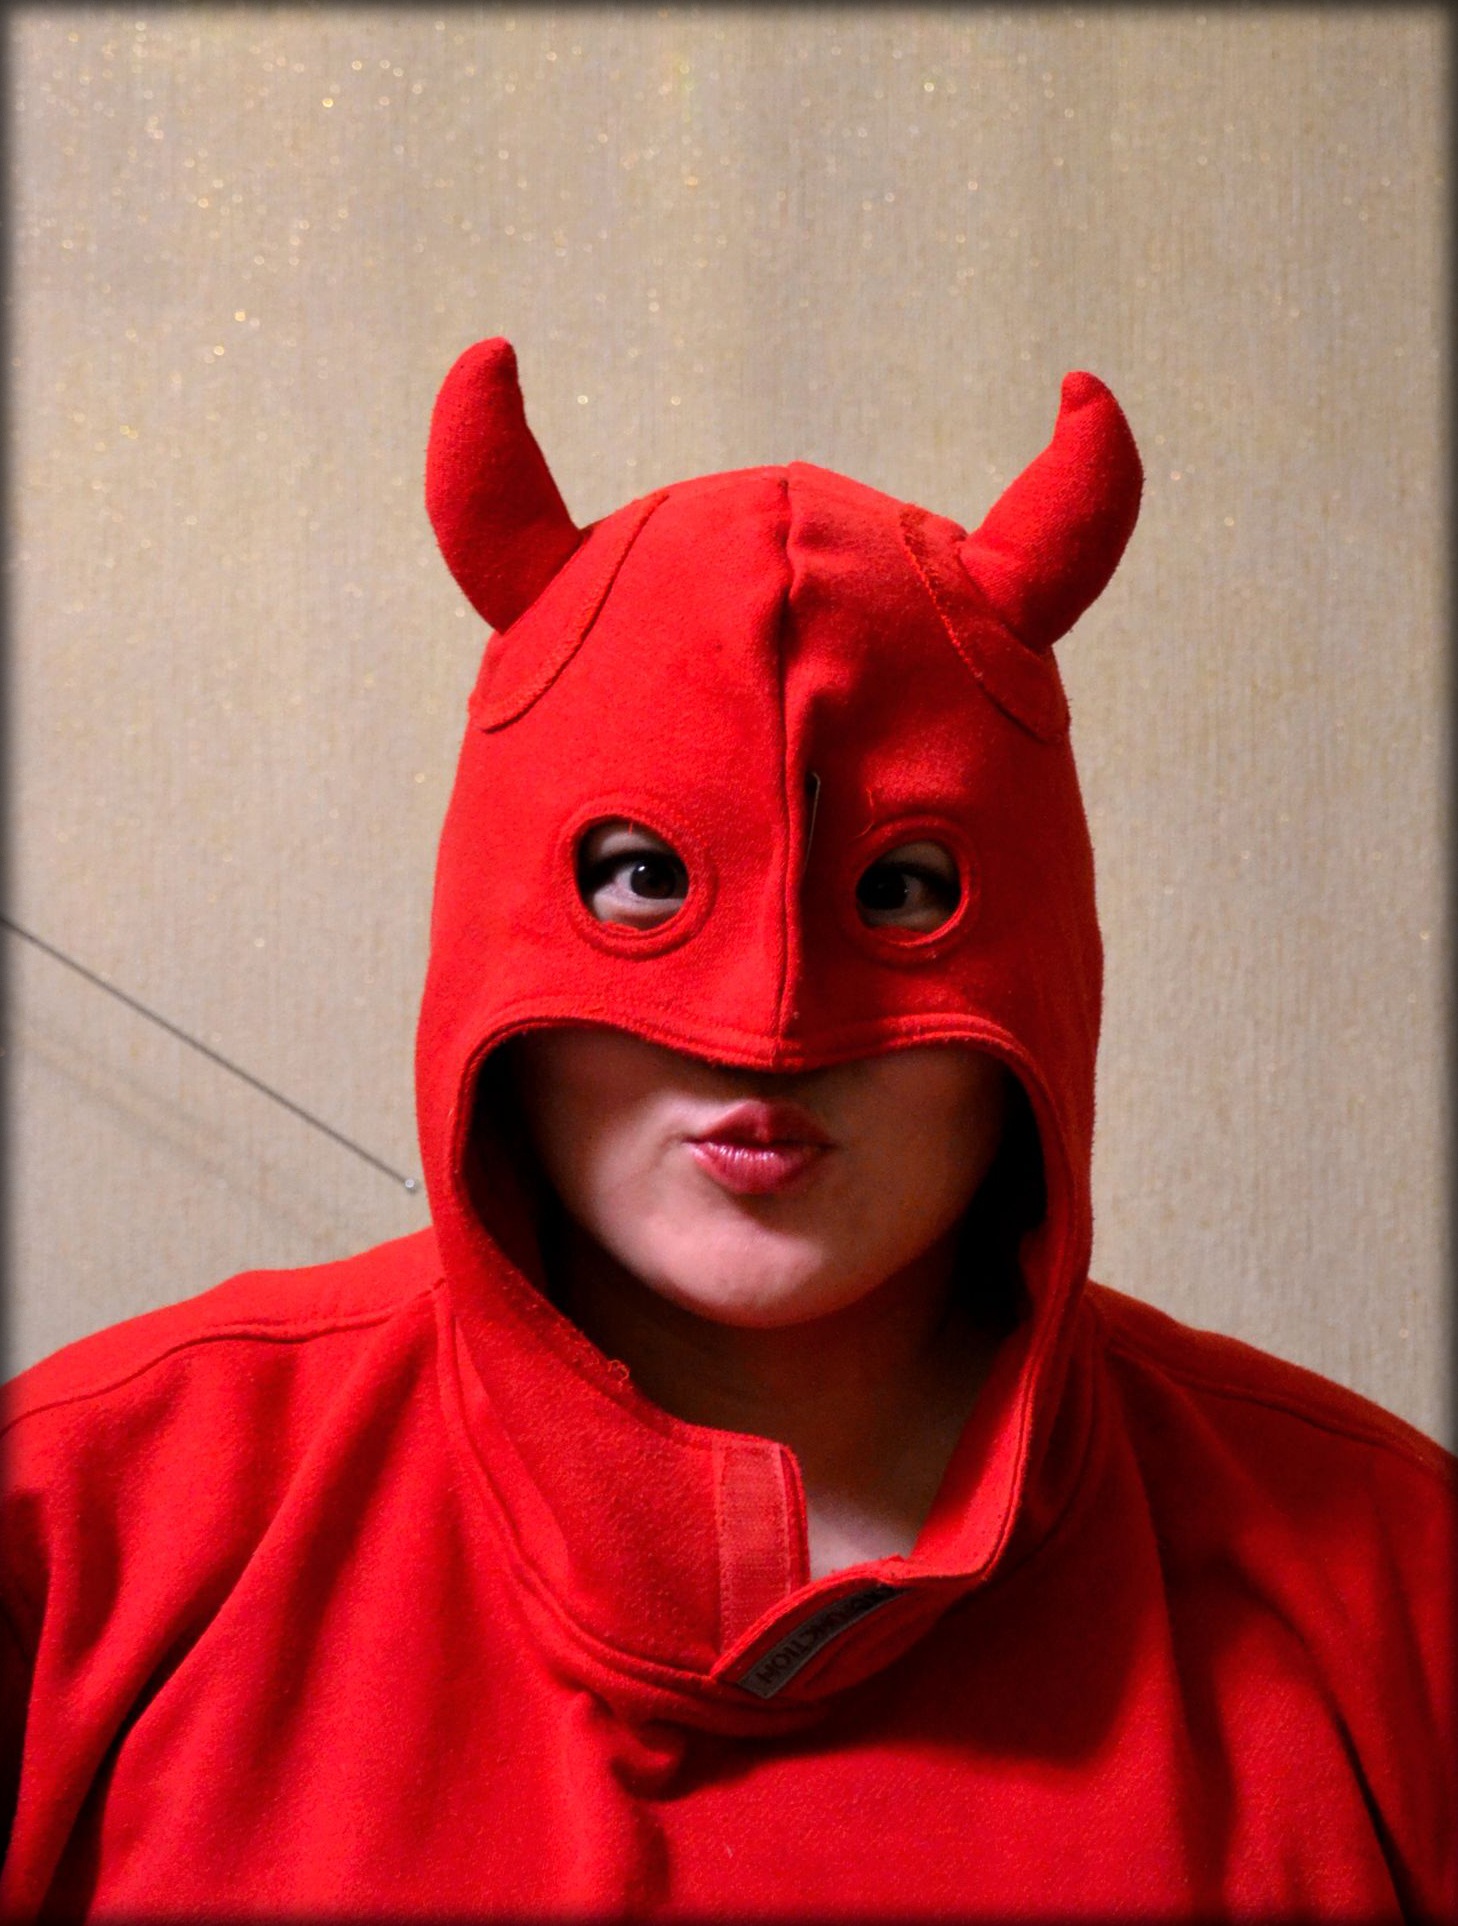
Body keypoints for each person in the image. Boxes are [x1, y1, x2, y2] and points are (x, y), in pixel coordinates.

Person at [1, 338, 1452, 1921]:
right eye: (641, 878)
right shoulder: (85, 1530)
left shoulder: (1387, 1583)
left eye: (901, 890)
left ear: (1043, 959)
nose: (770, 1024)